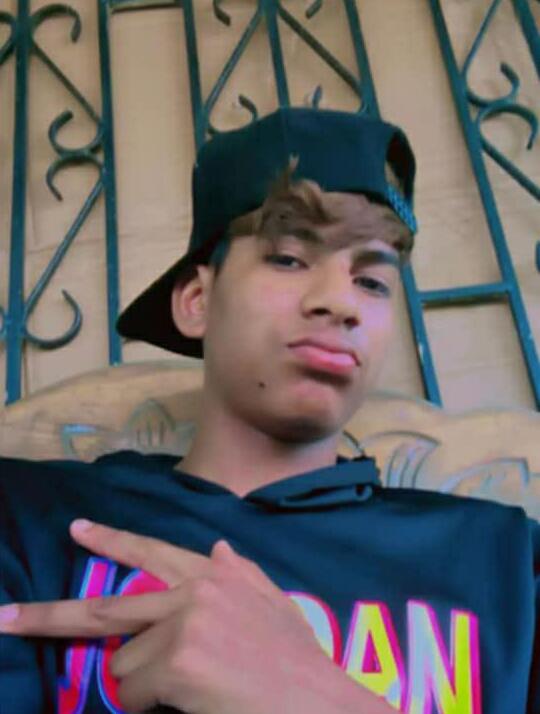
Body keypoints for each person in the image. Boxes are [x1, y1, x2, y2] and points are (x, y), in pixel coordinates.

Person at [0, 108, 538, 714]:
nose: (341, 302)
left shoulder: (508, 562)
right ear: (197, 300)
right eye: (288, 258)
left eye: (372, 283)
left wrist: (318, 697)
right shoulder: (29, 518)